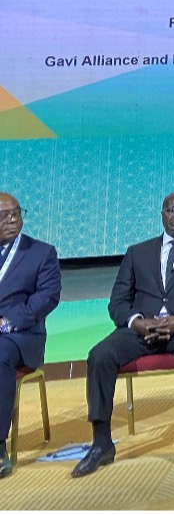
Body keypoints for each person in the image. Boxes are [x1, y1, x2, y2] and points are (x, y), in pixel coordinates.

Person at [74, 190, 174, 477]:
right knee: (99, 355)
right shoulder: (138, 252)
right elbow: (117, 302)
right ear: (162, 214)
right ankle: (101, 442)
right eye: (171, 209)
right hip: (142, 329)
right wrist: (136, 322)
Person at [0, 194, 61, 478]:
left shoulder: (41, 253)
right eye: (4, 216)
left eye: (16, 214)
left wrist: (6, 322)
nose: (12, 220)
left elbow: (47, 298)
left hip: (21, 337)